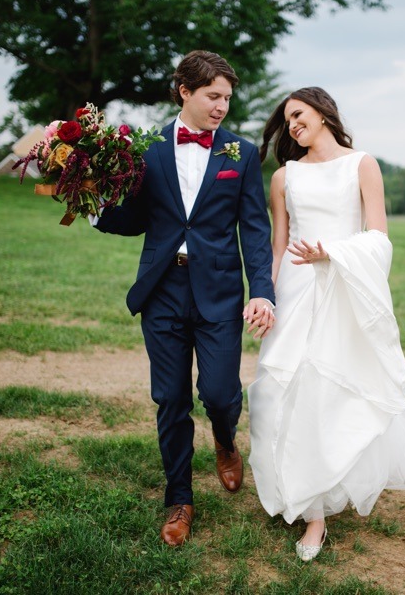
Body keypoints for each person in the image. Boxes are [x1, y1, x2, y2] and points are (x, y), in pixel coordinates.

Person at [249, 87, 405, 562]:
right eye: (287, 121)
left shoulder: (362, 165)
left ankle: (318, 512)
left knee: (328, 396)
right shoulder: (284, 177)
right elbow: (278, 246)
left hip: (343, 286)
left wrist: (332, 253)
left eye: (298, 114)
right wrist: (265, 297)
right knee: (277, 391)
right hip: (296, 290)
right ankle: (299, 494)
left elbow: (379, 237)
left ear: (323, 112)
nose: (293, 125)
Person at [94, 50, 276, 546]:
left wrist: (262, 291)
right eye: (213, 96)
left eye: (227, 99)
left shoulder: (241, 154)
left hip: (219, 292)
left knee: (219, 393)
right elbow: (136, 218)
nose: (222, 107)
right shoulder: (146, 149)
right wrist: (93, 206)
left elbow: (254, 230)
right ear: (185, 92)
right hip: (163, 291)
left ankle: (224, 437)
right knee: (170, 398)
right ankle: (179, 499)